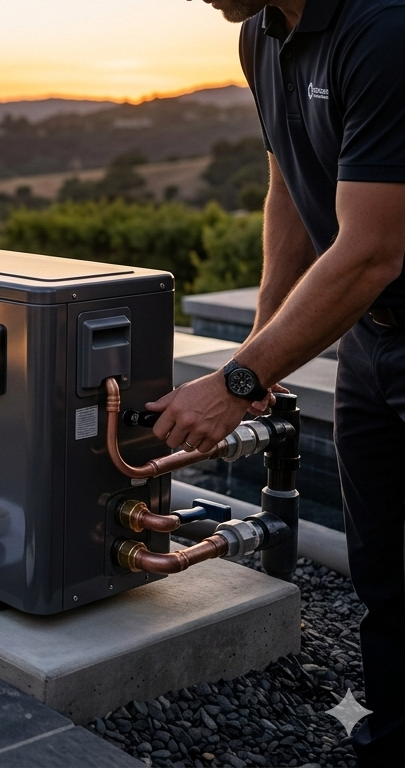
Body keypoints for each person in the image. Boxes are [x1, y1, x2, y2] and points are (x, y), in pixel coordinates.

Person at [149, 1, 405, 762]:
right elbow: (290, 192)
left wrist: (234, 382)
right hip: (372, 340)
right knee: (384, 573)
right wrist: (262, 353)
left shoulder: (385, 30)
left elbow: (372, 251)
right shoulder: (260, 35)